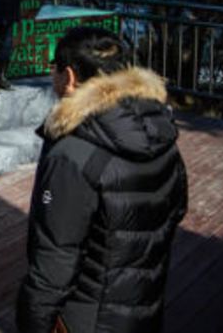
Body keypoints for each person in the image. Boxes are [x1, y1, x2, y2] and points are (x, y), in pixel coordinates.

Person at [17, 27, 188, 333]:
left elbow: (55, 261)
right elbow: (176, 209)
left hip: (88, 318)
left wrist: (34, 323)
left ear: (69, 77)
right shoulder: (160, 127)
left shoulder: (73, 153)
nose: (51, 75)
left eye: (53, 68)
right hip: (143, 307)